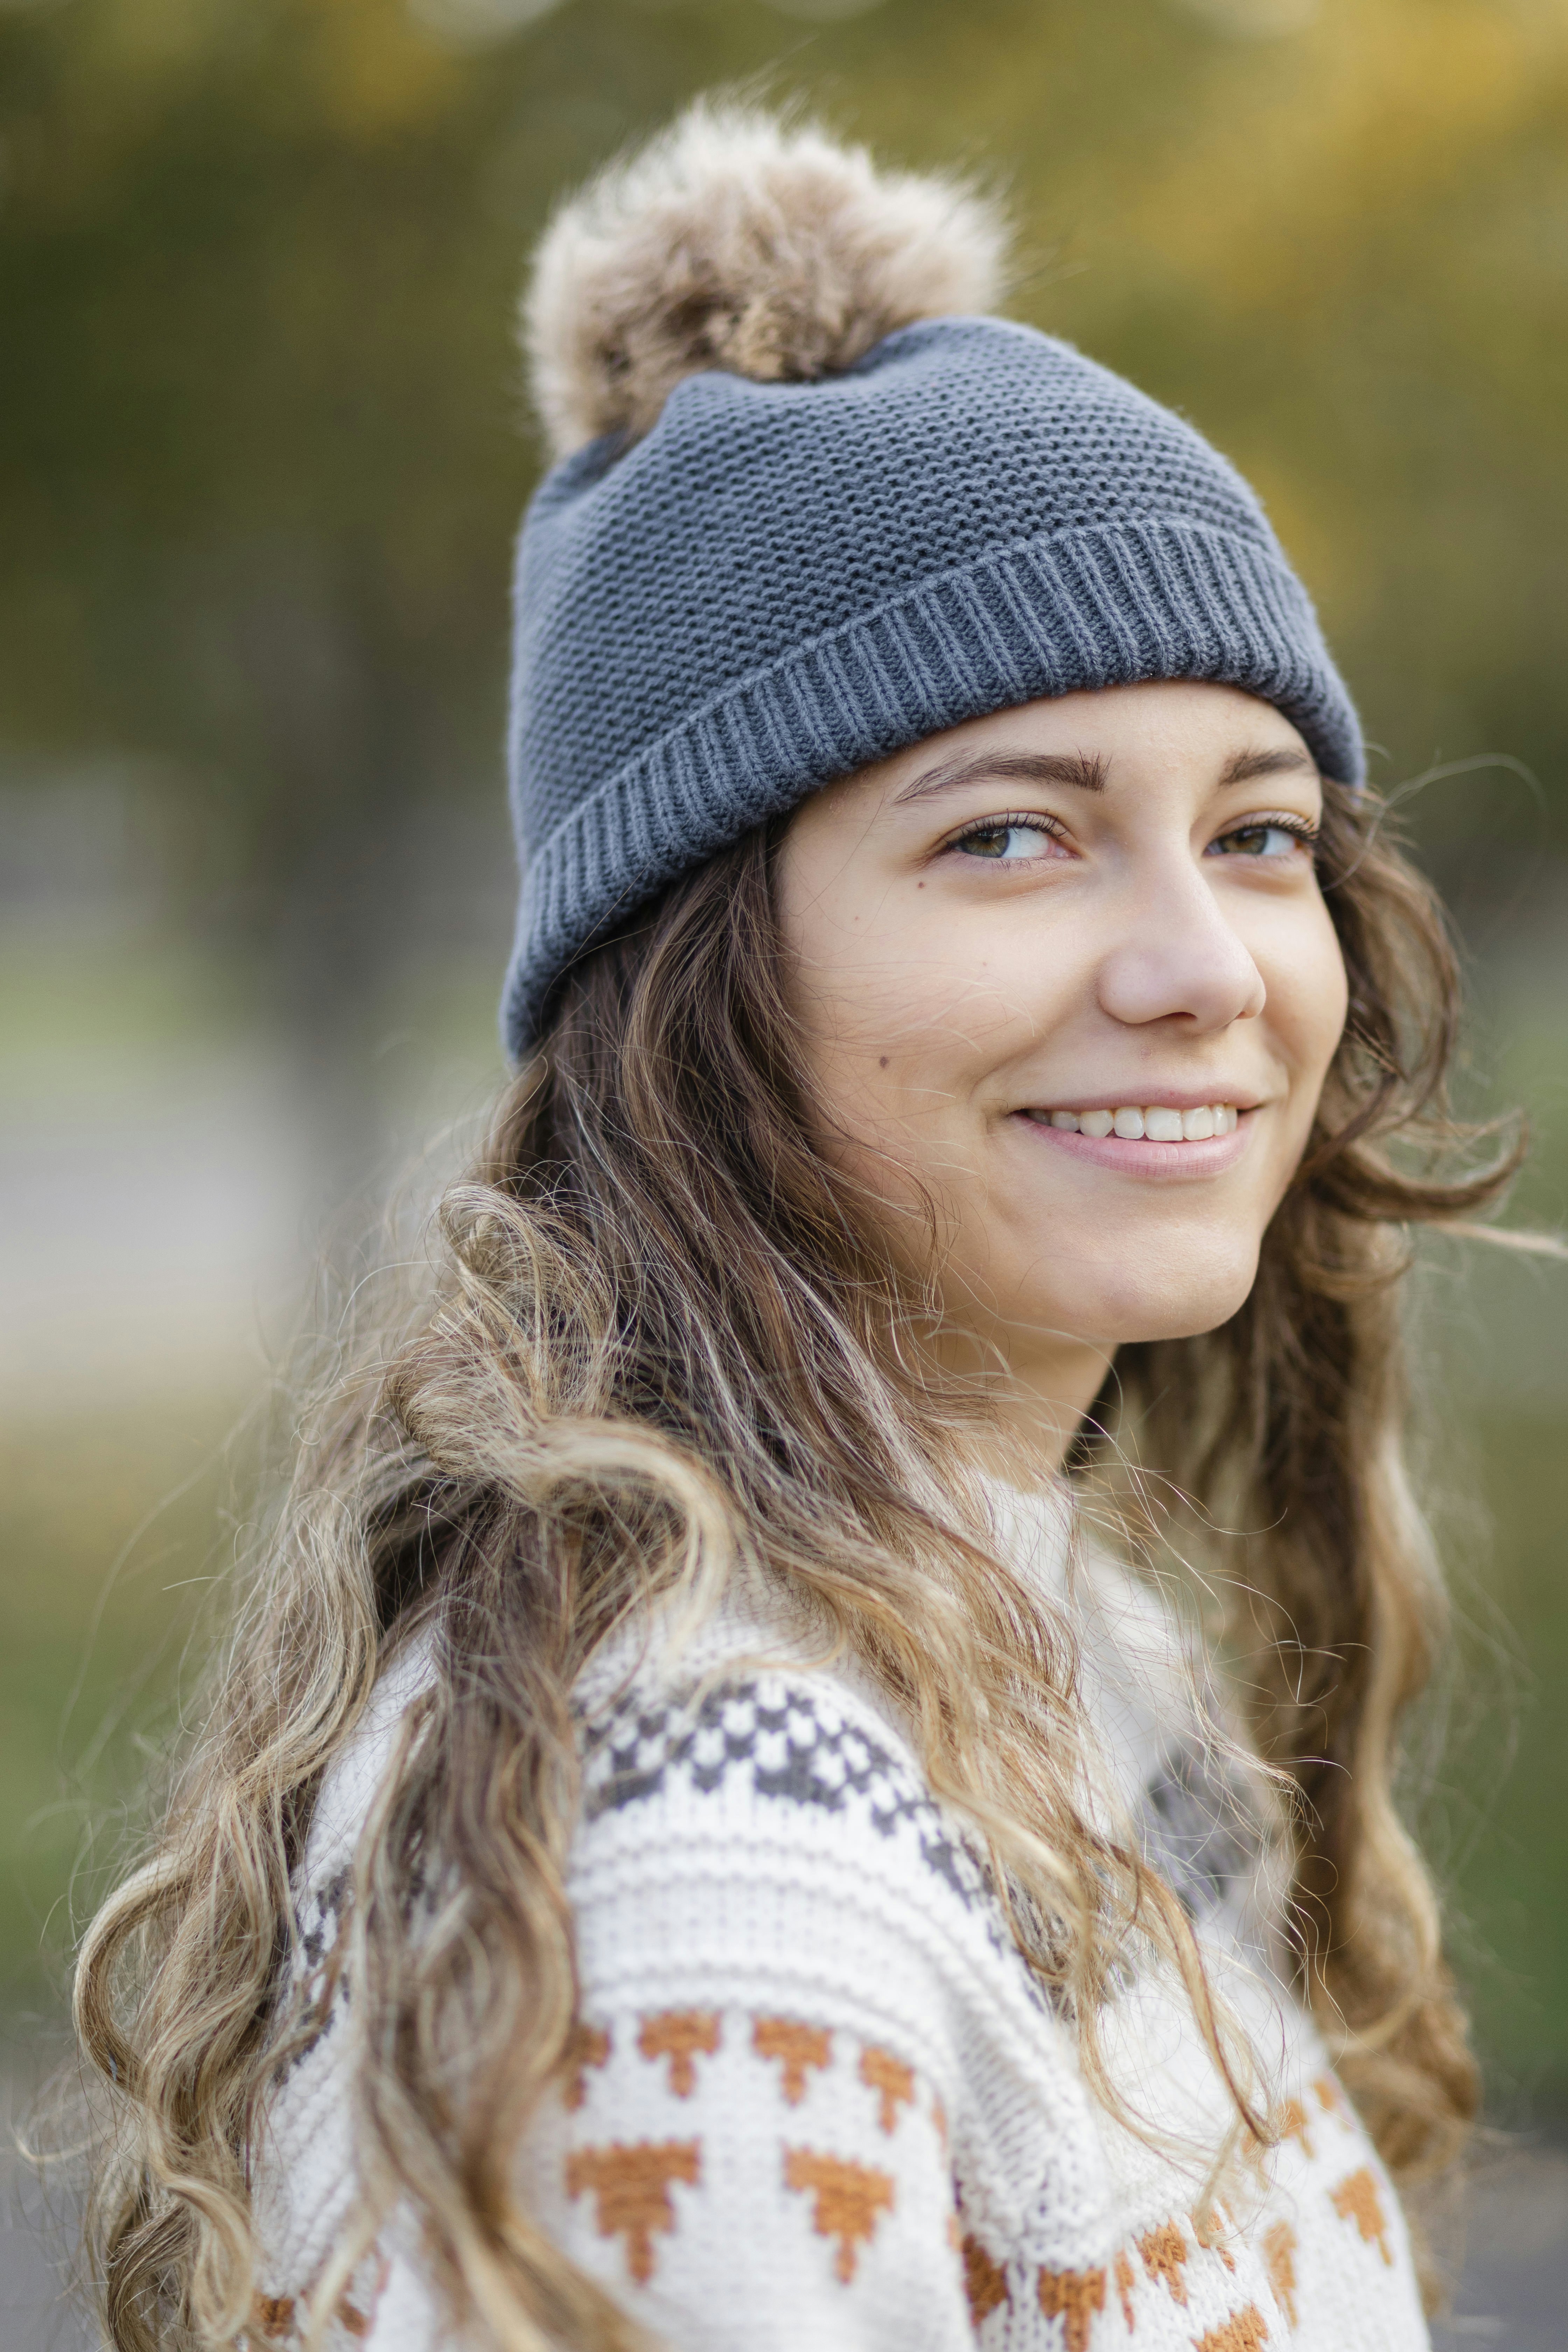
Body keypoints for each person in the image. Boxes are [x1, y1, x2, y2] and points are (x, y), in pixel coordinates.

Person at [76, 102, 1519, 2352]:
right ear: (691, 978)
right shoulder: (709, 1858)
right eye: (1012, 838)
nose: (1208, 969)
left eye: (1258, 834)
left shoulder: (1034, 1637)